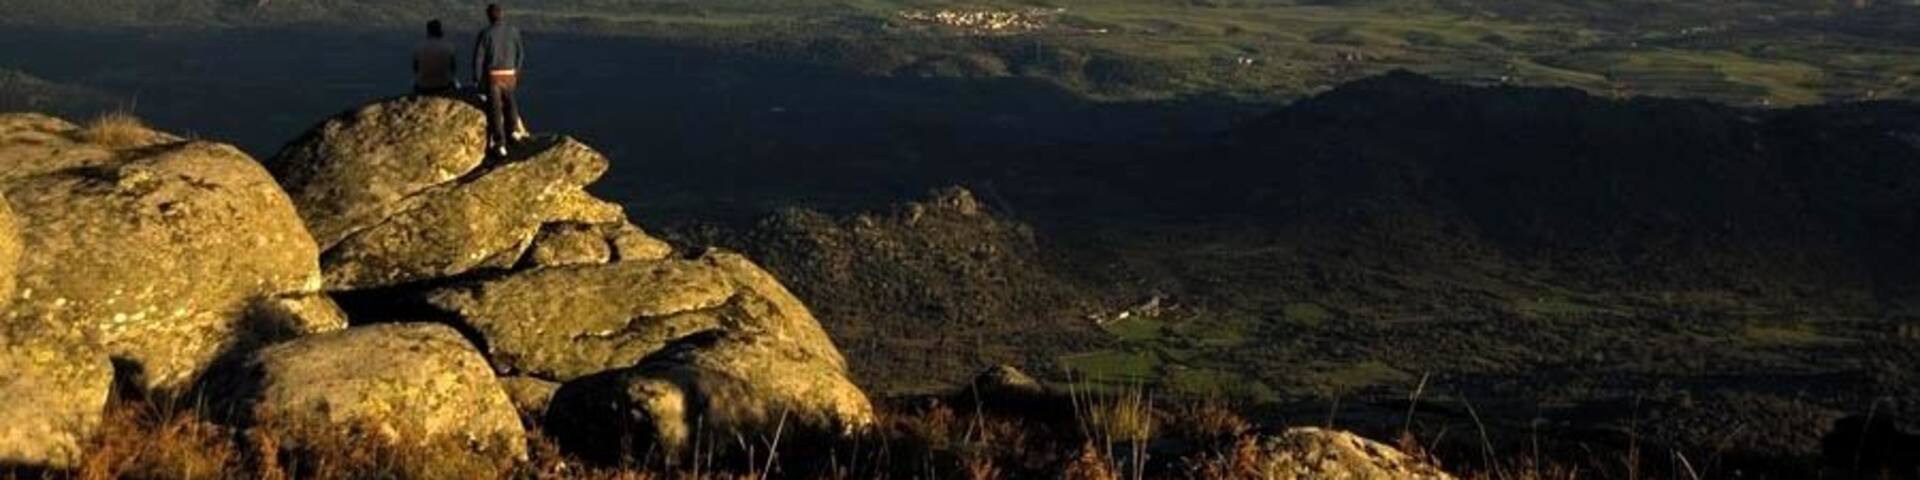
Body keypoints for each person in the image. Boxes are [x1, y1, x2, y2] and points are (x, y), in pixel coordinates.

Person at [474, 3, 526, 157]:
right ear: (502, 14)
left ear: (489, 16)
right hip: (509, 74)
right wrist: (516, 70)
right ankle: (514, 132)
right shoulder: (513, 31)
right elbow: (521, 53)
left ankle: (500, 143)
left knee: (495, 109)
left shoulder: (485, 33)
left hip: (494, 75)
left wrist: (477, 79)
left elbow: (479, 58)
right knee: (510, 102)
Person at [411, 20, 458, 94]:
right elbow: (453, 69)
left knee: (413, 82)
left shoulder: (418, 48)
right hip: (444, 85)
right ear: (440, 30)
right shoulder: (449, 47)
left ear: (428, 31)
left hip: (423, 86)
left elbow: (415, 69)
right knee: (456, 83)